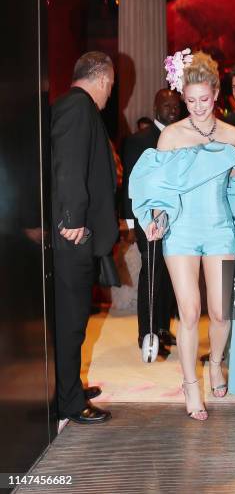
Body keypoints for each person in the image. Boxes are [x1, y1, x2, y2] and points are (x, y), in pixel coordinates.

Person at [130, 50, 235, 419]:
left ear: (216, 93)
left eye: (204, 99)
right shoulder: (171, 137)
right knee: (189, 312)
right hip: (182, 233)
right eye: (190, 101)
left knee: (222, 312)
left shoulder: (233, 135)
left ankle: (216, 362)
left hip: (220, 228)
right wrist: (156, 216)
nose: (197, 107)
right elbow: (160, 191)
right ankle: (190, 385)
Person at [51, 51, 118, 424]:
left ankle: (68, 385)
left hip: (73, 231)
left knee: (72, 316)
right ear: (104, 79)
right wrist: (72, 217)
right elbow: (69, 164)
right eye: (112, 84)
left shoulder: (72, 106)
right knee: (72, 319)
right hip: (72, 234)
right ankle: (70, 402)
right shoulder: (78, 108)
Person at [121, 88, 181, 356]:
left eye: (175, 105)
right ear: (156, 107)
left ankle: (163, 328)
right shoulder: (139, 140)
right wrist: (133, 225)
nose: (172, 109)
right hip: (150, 220)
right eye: (167, 105)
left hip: (178, 218)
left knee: (170, 274)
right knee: (152, 273)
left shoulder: (183, 137)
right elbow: (130, 188)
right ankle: (147, 333)